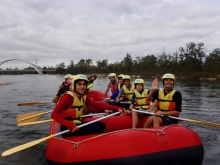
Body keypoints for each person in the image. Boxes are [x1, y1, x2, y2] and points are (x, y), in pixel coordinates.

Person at [51, 74, 124, 136]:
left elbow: (98, 105)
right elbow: (54, 115)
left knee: (101, 125)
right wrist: (69, 125)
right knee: (97, 128)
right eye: (79, 84)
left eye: (84, 84)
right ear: (74, 85)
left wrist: (117, 108)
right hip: (68, 128)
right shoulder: (68, 97)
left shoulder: (83, 96)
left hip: (78, 123)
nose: (82, 87)